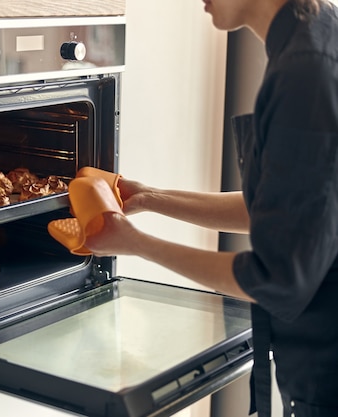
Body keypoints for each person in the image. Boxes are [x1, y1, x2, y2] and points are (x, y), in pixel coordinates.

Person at [84, 0, 338, 416]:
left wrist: (136, 244)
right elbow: (283, 208)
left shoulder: (306, 74)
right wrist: (150, 197)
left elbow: (277, 278)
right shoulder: (313, 39)